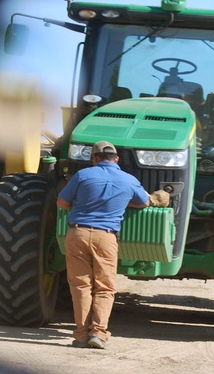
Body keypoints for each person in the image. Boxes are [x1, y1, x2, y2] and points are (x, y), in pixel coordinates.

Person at [57, 140, 150, 350]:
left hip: (77, 233)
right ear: (116, 159)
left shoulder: (82, 176)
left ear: (94, 158)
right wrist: (122, 201)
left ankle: (81, 335)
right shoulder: (130, 180)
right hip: (106, 237)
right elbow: (144, 202)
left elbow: (61, 203)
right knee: (105, 287)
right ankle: (98, 334)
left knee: (80, 285)